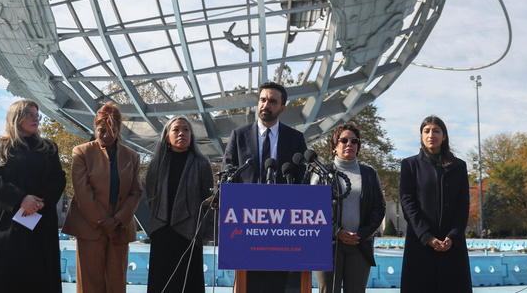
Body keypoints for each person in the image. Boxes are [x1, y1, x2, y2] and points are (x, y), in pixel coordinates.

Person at [223, 81, 308, 293]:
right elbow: (227, 174)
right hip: (246, 223)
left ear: (282, 108)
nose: (265, 105)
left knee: (276, 284)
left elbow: (303, 180)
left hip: (283, 226)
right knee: (247, 284)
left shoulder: (295, 139)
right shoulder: (238, 135)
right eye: (262, 100)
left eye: (272, 101)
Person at [0, 99, 67, 293]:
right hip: (7, 225)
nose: (36, 120)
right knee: (7, 276)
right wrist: (20, 200)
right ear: (16, 118)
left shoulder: (49, 148)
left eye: (38, 116)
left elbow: (58, 179)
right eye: (31, 115)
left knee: (40, 278)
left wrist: (38, 203)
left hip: (40, 222)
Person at [62, 103, 143, 293]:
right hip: (90, 227)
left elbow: (136, 192)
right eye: (101, 130)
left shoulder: (132, 156)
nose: (106, 135)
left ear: (118, 129)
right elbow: (83, 192)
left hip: (120, 228)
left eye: (111, 130)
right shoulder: (81, 152)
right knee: (89, 285)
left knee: (117, 284)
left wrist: (117, 221)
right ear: (95, 128)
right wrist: (104, 223)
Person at [398, 115, 472, 293]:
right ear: (421, 136)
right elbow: (408, 203)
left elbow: (463, 206)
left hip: (451, 245)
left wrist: (453, 236)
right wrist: (427, 236)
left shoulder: (459, 166)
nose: (431, 134)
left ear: (444, 136)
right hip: (421, 243)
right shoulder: (410, 165)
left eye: (436, 130)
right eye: (427, 131)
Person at [312, 123, 386, 293]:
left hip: (360, 244)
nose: (349, 144)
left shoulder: (369, 173)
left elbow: (379, 207)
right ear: (334, 146)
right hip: (328, 245)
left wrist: (362, 233)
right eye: (343, 140)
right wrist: (336, 231)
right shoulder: (321, 173)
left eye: (354, 141)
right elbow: (313, 210)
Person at [145, 115, 214, 293]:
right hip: (162, 232)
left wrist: (198, 229)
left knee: (188, 285)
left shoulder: (201, 164)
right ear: (167, 136)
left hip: (188, 234)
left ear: (191, 136)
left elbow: (207, 200)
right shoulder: (156, 165)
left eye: (186, 129)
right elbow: (152, 197)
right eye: (176, 129)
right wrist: (157, 226)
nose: (181, 133)